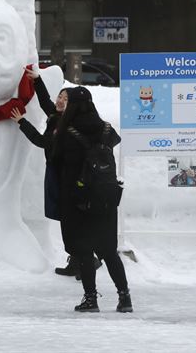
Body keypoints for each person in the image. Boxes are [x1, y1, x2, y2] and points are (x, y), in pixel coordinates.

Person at [10, 67, 101, 278]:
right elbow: (45, 103)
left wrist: (22, 123)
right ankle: (78, 259)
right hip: (59, 173)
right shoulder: (57, 116)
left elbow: (43, 142)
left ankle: (85, 259)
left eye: (65, 99)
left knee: (70, 219)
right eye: (60, 96)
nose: (60, 101)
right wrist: (37, 80)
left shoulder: (66, 125)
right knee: (65, 217)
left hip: (68, 177)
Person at [52, 86, 132, 313]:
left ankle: (91, 299)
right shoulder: (107, 129)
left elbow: (57, 163)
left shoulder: (68, 132)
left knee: (84, 251)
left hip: (77, 200)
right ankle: (124, 297)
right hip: (106, 198)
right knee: (108, 251)